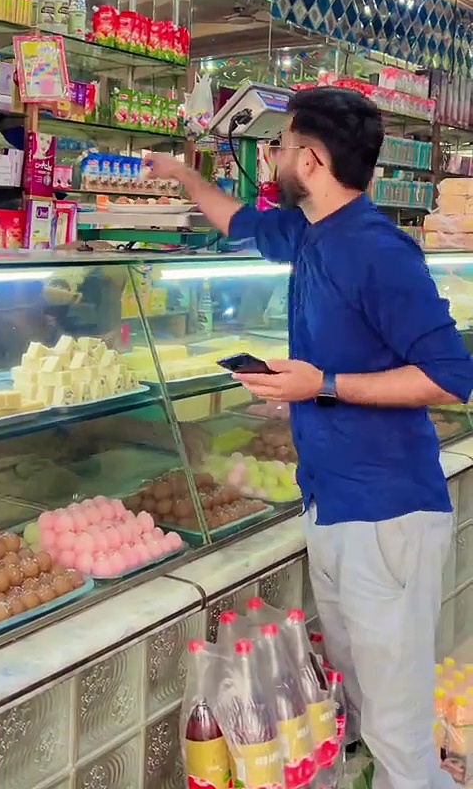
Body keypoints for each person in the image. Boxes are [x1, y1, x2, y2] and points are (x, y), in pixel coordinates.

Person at [151, 86, 473, 789]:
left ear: (313, 160)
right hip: (330, 501)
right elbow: (240, 221)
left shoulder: (379, 252)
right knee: (358, 700)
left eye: (282, 145)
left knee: (396, 730)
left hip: (385, 512)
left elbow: (451, 376)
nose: (274, 157)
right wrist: (184, 178)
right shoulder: (310, 232)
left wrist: (321, 384)